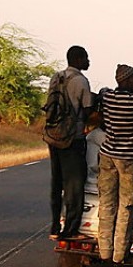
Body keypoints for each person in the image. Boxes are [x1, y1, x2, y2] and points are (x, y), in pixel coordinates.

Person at [97, 64, 133, 264]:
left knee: (107, 203)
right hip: (130, 159)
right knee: (126, 206)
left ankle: (104, 251)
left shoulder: (107, 97)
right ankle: (119, 254)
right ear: (126, 80)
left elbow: (102, 92)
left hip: (108, 155)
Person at [47, 45, 93, 239]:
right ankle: (71, 230)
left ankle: (55, 226)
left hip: (53, 135)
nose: (88, 61)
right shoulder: (81, 81)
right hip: (72, 138)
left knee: (57, 183)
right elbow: (88, 110)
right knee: (74, 186)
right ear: (79, 59)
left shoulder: (56, 77)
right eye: (86, 58)